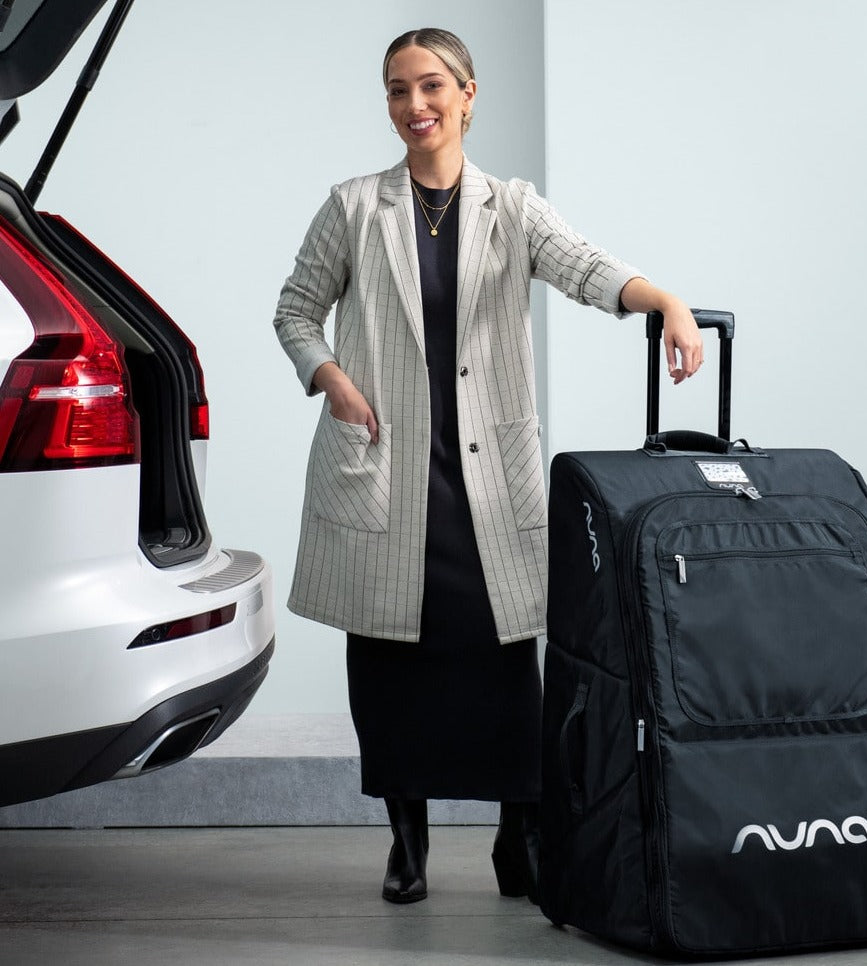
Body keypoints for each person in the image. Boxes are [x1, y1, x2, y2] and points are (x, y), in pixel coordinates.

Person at [272, 27, 703, 905]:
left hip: (483, 473)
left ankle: (521, 834)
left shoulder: (512, 207)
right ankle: (407, 844)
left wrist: (662, 298)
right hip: (390, 464)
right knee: (389, 659)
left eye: (431, 86)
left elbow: (583, 268)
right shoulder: (355, 206)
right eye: (397, 90)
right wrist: (332, 382)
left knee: (508, 662)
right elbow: (295, 312)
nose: (414, 106)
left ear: (470, 94)